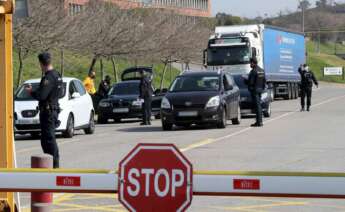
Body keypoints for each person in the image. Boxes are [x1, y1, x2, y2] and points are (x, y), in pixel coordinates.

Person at [25, 52, 61, 168]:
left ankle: (53, 166)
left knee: (48, 140)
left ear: (41, 64)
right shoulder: (57, 75)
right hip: (53, 109)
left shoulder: (49, 77)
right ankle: (51, 165)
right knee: (48, 139)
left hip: (48, 112)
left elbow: (42, 95)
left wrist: (31, 91)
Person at [246, 57, 266, 127]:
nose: (250, 64)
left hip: (255, 91)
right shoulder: (262, 70)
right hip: (260, 90)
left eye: (250, 63)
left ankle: (259, 122)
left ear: (253, 63)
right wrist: (262, 89)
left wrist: (245, 80)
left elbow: (250, 82)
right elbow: (264, 81)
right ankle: (258, 121)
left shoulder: (253, 71)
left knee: (257, 107)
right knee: (258, 106)